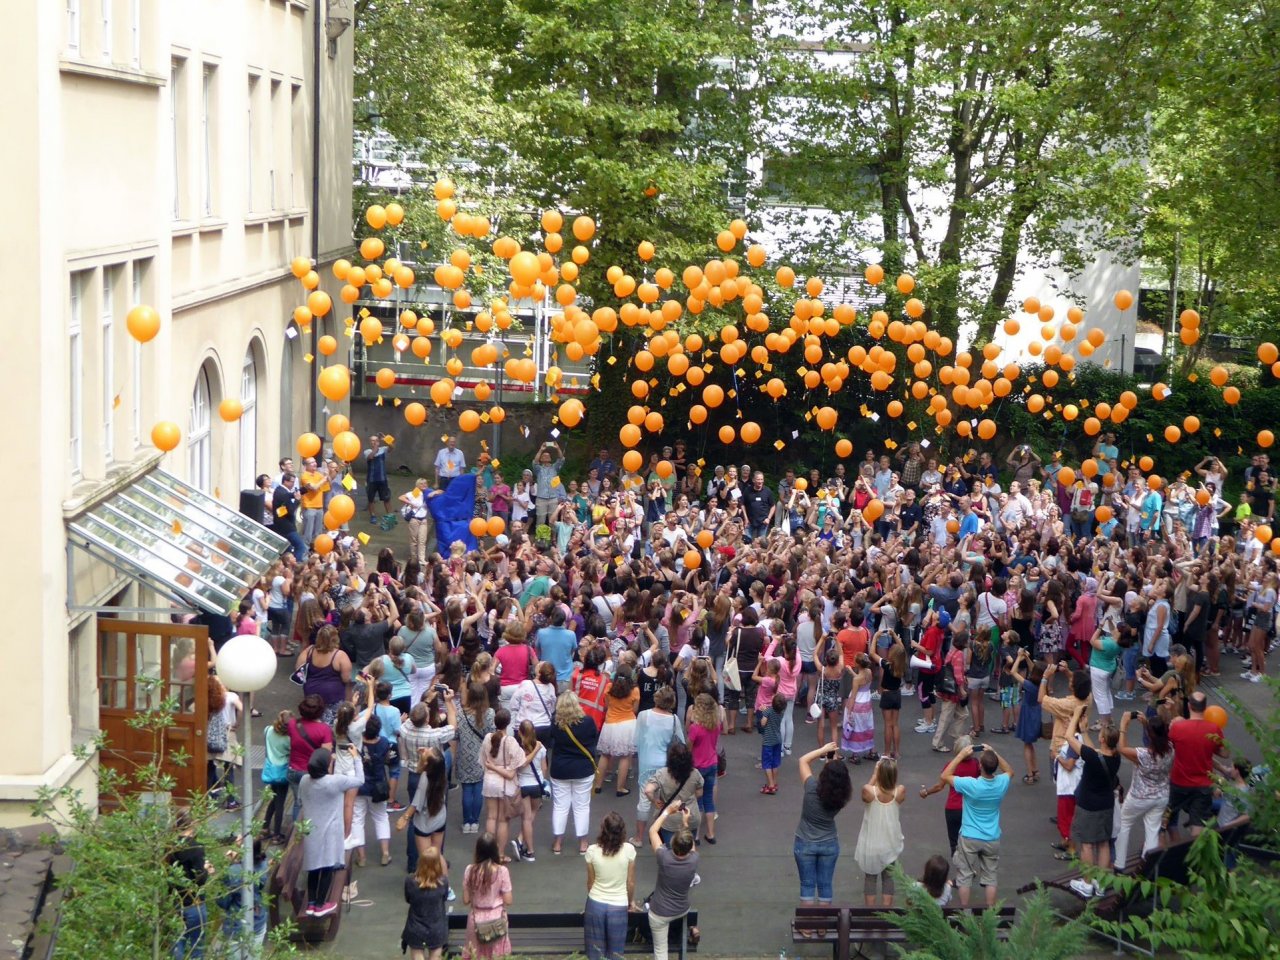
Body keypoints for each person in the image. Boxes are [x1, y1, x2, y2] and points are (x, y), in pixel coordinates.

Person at [940, 743, 1013, 907]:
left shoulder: (971, 784)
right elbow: (1009, 771)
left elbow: (945, 776)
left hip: (969, 836)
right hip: (992, 836)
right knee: (990, 877)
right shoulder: (1001, 783)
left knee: (964, 876)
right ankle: (990, 913)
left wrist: (959, 756)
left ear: (980, 766)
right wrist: (994, 752)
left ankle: (965, 913)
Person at [298, 746, 364, 918]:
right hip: (331, 832)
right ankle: (321, 905)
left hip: (311, 831)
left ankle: (311, 904)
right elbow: (359, 780)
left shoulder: (304, 780)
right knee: (328, 866)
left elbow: (300, 799)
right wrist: (356, 758)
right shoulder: (335, 781)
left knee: (313, 868)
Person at [1064, 705, 1121, 898]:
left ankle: (1087, 883)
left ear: (1103, 739)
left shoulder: (1093, 757)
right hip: (1106, 804)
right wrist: (1086, 731)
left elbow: (1069, 737)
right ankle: (1101, 883)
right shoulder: (1115, 757)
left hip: (1088, 805)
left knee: (1087, 844)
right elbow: (1091, 750)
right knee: (1103, 843)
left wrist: (1076, 716)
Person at [793, 742, 852, 911]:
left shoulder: (811, 787)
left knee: (807, 885)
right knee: (825, 885)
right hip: (829, 843)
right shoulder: (841, 797)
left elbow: (803, 761)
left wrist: (823, 750)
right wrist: (831, 761)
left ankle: (809, 926)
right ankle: (823, 923)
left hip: (805, 841)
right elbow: (834, 781)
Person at [1114, 711, 1173, 870]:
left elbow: (1122, 748)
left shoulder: (1143, 755)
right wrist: (1148, 725)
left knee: (1124, 823)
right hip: (1161, 796)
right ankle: (1147, 867)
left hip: (1139, 796)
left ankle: (1119, 864)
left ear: (1150, 735)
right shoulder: (1170, 750)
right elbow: (1158, 737)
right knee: (1152, 831)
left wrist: (1123, 725)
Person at [1167, 691, 1228, 840]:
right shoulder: (1213, 729)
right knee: (1198, 825)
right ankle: (1196, 856)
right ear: (1206, 708)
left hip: (1179, 782)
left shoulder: (1177, 728)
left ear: (1189, 706)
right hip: (1203, 785)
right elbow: (1225, 753)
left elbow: (1172, 746)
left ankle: (1172, 849)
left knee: (1167, 818)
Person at [583, 812, 638, 960]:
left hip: (596, 903)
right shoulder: (629, 850)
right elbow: (630, 882)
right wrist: (630, 901)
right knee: (616, 953)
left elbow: (590, 882)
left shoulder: (592, 851)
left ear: (603, 830)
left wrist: (593, 897)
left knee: (595, 953)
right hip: (619, 904)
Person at [550, 691, 599, 856]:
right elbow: (593, 739)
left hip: (560, 769)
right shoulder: (588, 722)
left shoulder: (556, 723)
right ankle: (583, 843)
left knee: (560, 805)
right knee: (582, 806)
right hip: (583, 769)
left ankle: (558, 842)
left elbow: (551, 742)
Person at [852, 757, 907, 906]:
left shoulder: (869, 792)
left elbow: (866, 790)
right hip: (890, 843)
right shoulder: (899, 791)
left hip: (871, 843)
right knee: (888, 877)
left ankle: (870, 914)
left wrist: (875, 773)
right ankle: (886, 912)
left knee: (870, 877)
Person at [481, 708, 525, 862]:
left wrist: (492, 767)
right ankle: (499, 854)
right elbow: (519, 763)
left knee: (491, 817)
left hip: (489, 782)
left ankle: (487, 852)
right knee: (502, 820)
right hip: (504, 784)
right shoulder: (510, 741)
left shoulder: (487, 738)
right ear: (508, 722)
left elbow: (483, 761)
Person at [397, 747, 449, 875]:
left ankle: (428, 885)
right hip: (439, 818)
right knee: (437, 854)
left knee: (425, 858)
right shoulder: (441, 772)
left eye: (428, 751)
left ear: (427, 765)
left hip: (425, 821)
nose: (426, 749)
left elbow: (416, 803)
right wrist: (425, 756)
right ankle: (445, 886)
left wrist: (404, 818)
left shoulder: (425, 778)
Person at [462, 833, 513, 960]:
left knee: (475, 955)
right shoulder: (502, 871)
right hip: (497, 920)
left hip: (476, 920)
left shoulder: (470, 870)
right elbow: (508, 900)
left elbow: (466, 900)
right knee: (497, 955)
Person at [401, 847, 451, 960]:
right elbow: (445, 898)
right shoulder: (443, 882)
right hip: (437, 928)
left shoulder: (410, 881)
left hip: (415, 928)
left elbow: (408, 899)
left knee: (417, 956)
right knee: (436, 957)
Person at [686, 693, 722, 844]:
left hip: (697, 766)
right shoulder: (716, 725)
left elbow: (689, 746)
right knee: (708, 800)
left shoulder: (695, 728)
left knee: (696, 801)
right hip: (712, 763)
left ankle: (696, 835)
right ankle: (711, 833)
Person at [271, 472, 306, 561]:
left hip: (283, 526)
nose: (293, 484)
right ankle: (297, 566)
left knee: (288, 551)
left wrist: (304, 490)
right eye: (291, 482)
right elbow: (289, 511)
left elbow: (291, 494)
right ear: (285, 481)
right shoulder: (282, 493)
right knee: (301, 547)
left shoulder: (280, 490)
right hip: (286, 527)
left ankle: (289, 565)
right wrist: (297, 501)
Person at [400, 478, 434, 565]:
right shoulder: (414, 493)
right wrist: (411, 503)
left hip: (423, 519)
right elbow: (401, 497)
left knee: (422, 540)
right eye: (422, 484)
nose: (424, 485)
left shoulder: (427, 494)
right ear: (417, 485)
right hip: (414, 519)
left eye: (425, 483)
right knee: (414, 540)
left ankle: (421, 559)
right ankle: (414, 557)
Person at [363, 435, 392, 525]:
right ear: (370, 442)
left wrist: (387, 439)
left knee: (386, 499)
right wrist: (376, 447)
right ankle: (373, 516)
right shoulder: (367, 451)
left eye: (376, 440)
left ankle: (390, 516)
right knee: (371, 499)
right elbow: (371, 456)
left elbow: (392, 447)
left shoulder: (383, 449)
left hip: (382, 479)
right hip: (371, 480)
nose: (374, 442)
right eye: (372, 440)